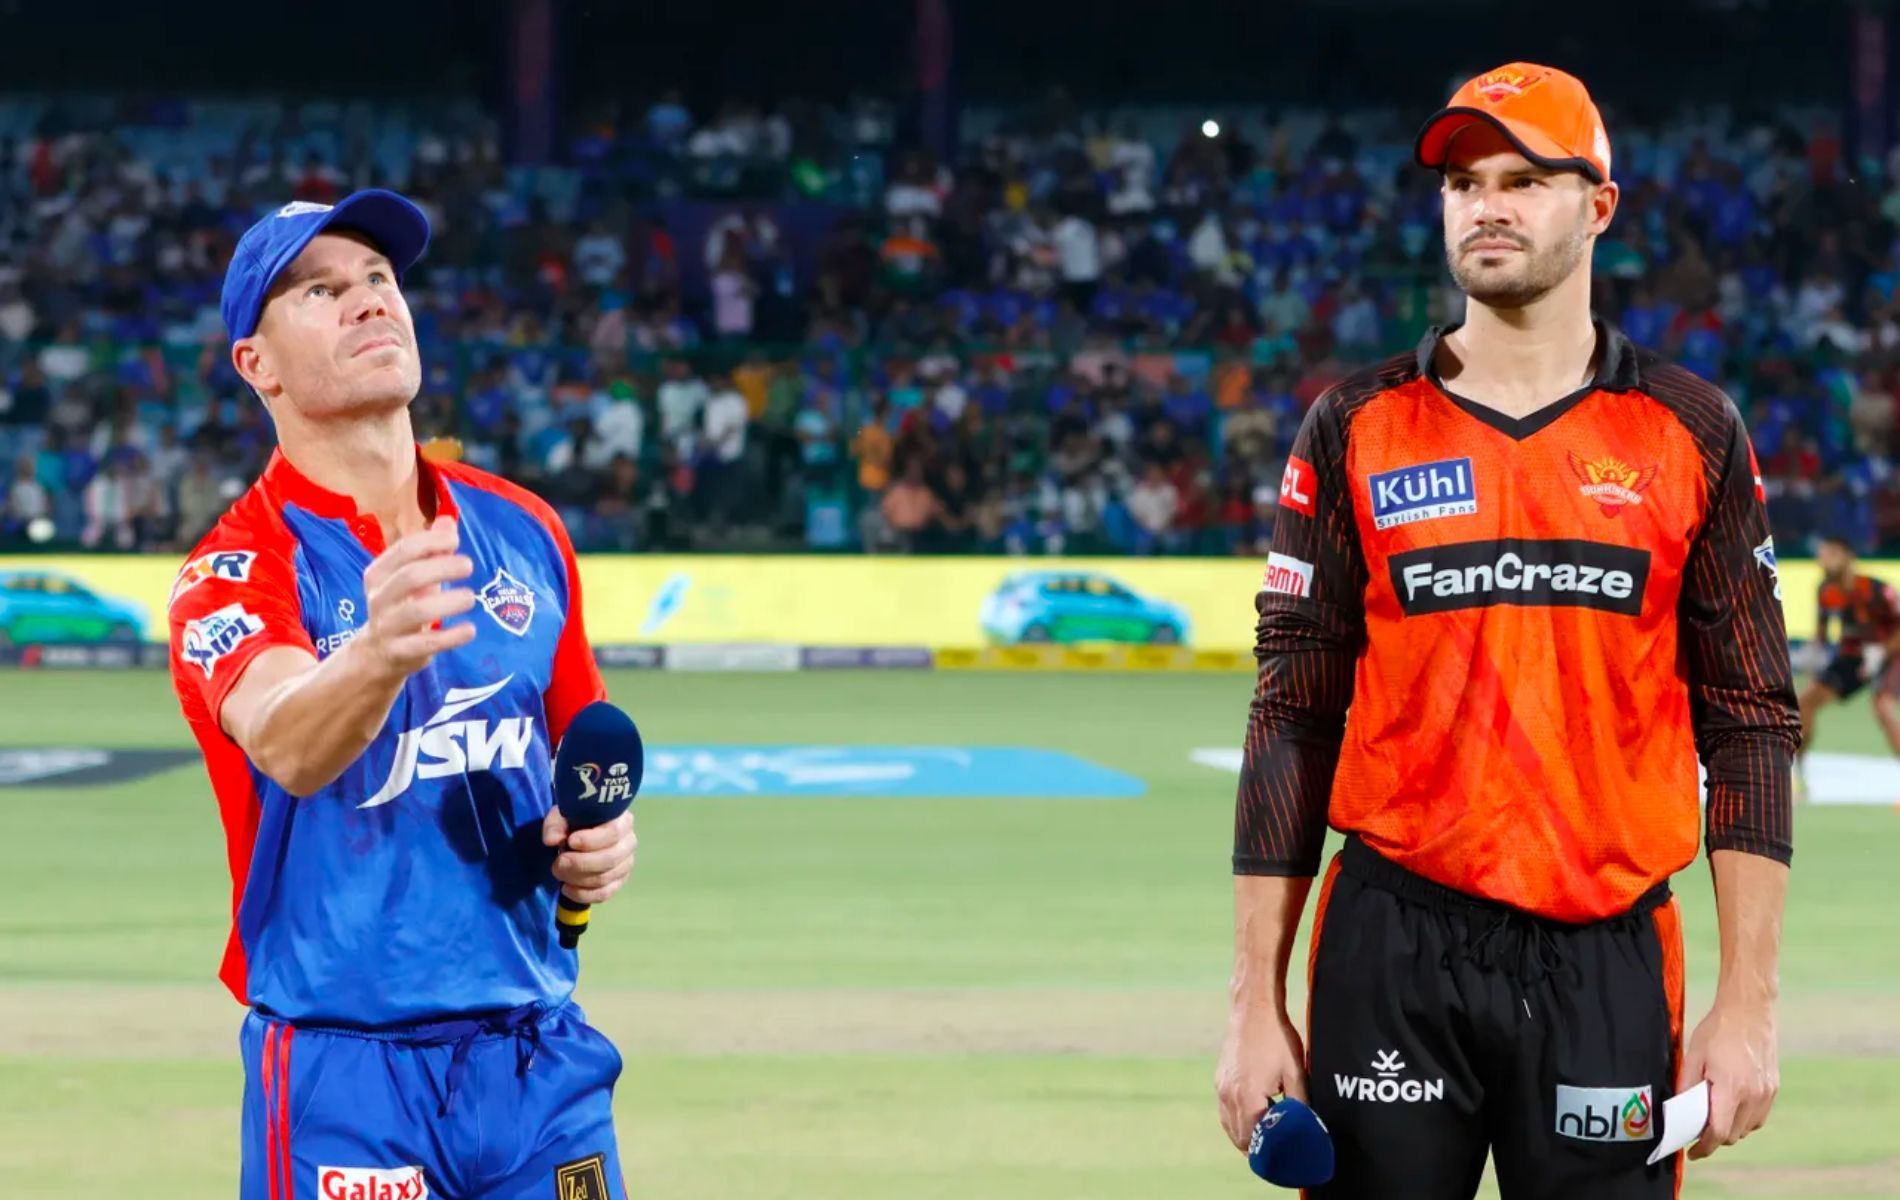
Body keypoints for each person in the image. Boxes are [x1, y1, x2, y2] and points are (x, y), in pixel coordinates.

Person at [1214, 65, 1798, 1200]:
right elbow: (1291, 715)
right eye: (1463, 181)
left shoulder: (1692, 431)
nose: (1485, 204)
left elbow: (1750, 723)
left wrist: (1749, 1003)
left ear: (1599, 205)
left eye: (1523, 179)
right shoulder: (1353, 426)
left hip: (1607, 956)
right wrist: (1254, 1005)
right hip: (1389, 944)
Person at [167, 191, 637, 1200]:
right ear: (259, 365)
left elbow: (581, 759)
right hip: (348, 1073)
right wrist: (379, 651)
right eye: (323, 290)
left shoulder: (524, 530)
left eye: (380, 279)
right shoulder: (235, 571)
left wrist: (602, 841)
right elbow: (288, 741)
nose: (370, 301)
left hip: (539, 1057)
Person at [1798, 532, 1900, 794]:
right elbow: (1822, 632)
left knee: (1883, 708)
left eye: (1830, 554)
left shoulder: (1877, 590)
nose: (1823, 560)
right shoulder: (1826, 591)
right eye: (1821, 555)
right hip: (1854, 658)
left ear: (1848, 558)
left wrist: (1881, 652)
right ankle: (1798, 774)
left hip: (1891, 655)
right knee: (1805, 702)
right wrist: (1814, 651)